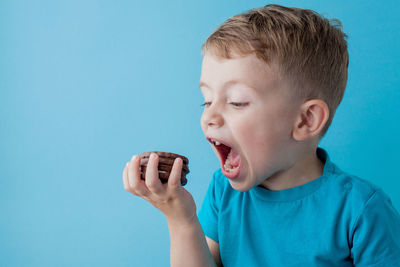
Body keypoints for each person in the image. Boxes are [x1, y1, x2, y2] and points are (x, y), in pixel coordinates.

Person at [122, 4, 400, 266]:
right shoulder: (224, 191)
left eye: (237, 102)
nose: (209, 117)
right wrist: (180, 219)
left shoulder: (361, 209)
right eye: (206, 101)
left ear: (306, 120)